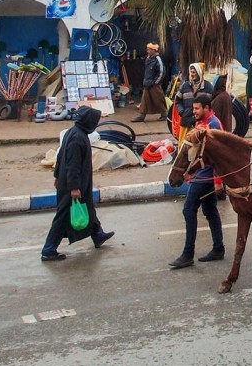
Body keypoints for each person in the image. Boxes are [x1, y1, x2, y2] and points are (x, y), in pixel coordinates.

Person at [41, 106, 115, 261]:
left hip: (72, 182)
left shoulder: (72, 132)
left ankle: (98, 234)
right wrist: (74, 187)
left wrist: (57, 176)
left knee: (88, 208)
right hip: (73, 185)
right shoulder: (78, 138)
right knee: (63, 217)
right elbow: (72, 165)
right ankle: (49, 249)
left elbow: (60, 157)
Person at [168, 94, 225, 269]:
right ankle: (218, 248)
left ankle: (187, 254)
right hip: (199, 174)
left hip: (205, 176)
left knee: (188, 210)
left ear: (207, 108)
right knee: (210, 210)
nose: (194, 111)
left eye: (197, 108)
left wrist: (218, 180)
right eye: (193, 108)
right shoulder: (199, 123)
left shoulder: (213, 125)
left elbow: (219, 156)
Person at [175, 62, 214, 145]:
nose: (192, 74)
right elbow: (177, 100)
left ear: (199, 72)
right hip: (186, 121)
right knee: (183, 146)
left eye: (194, 72)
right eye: (191, 72)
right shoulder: (185, 86)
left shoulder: (208, 87)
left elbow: (211, 104)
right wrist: (182, 112)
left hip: (201, 124)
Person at [132, 42, 167, 122]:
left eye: (149, 49)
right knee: (144, 100)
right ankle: (141, 116)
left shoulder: (158, 60)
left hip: (154, 84)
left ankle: (164, 114)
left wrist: (155, 82)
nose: (147, 51)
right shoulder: (148, 58)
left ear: (154, 50)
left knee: (158, 99)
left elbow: (161, 72)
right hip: (147, 83)